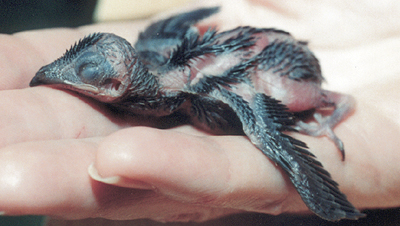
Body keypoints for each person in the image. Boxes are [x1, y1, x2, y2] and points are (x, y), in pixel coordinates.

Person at [0, 0, 400, 225]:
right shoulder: (153, 57)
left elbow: (264, 128)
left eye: (87, 74)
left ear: (116, 87)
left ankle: (334, 103)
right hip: (248, 49)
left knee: (274, 106)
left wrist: (325, 197)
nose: (57, 78)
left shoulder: (210, 92)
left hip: (280, 60)